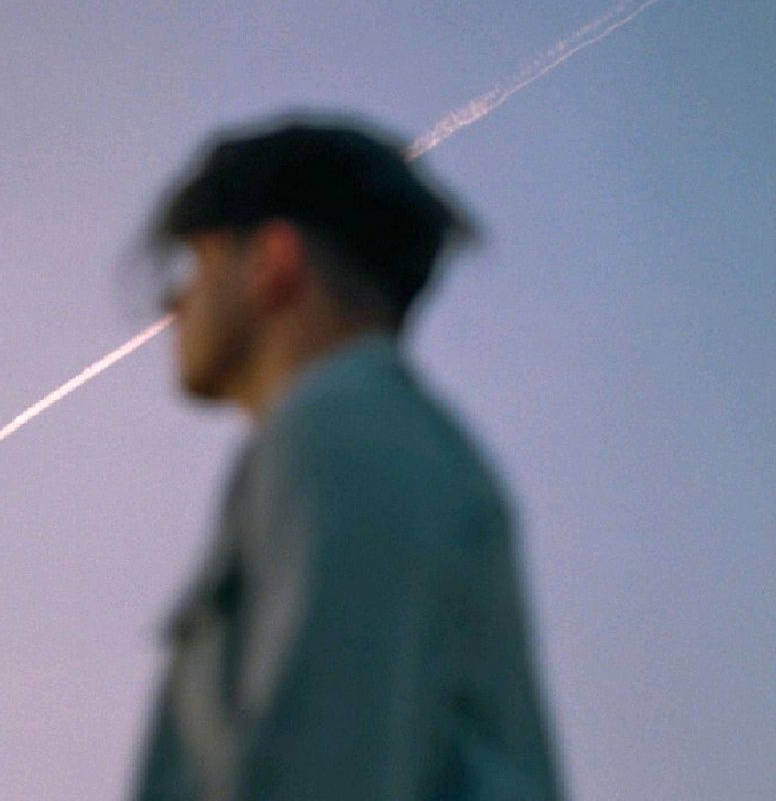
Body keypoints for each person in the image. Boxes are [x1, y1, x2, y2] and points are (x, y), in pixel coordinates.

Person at [129, 116, 562, 801]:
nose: (173, 301)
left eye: (199, 263)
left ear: (274, 261)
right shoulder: (373, 438)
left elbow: (325, 764)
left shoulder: (342, 436)